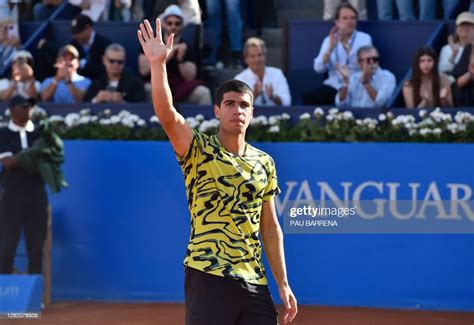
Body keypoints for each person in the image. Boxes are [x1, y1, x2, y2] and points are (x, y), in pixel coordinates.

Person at [138, 18, 298, 324]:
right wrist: (158, 64)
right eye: (229, 103)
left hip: (254, 280)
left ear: (252, 112)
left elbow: (270, 226)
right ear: (216, 110)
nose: (236, 110)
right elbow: (168, 116)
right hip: (207, 275)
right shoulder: (197, 149)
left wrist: (283, 282)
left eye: (243, 105)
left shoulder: (265, 162)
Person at [0, 95, 48, 275]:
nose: (28, 110)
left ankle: (35, 296)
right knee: (6, 247)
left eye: (29, 107)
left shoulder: (39, 133)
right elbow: (8, 163)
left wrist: (20, 157)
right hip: (12, 196)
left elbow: (46, 161)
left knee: (35, 248)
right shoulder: (3, 133)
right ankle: (2, 294)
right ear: (12, 110)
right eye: (23, 107)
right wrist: (33, 155)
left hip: (37, 195)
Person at [138, 5, 211, 104]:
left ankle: (200, 119)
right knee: (147, 88)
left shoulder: (186, 48)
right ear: (163, 24)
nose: (173, 26)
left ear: (181, 26)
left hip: (179, 87)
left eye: (177, 23)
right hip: (156, 84)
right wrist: (170, 52)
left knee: (203, 93)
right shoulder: (151, 44)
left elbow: (189, 78)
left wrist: (180, 60)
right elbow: (144, 71)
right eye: (169, 23)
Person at [304, 3, 372, 105]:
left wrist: (346, 47)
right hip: (335, 84)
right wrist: (330, 48)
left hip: (356, 83)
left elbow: (367, 65)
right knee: (309, 97)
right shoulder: (329, 40)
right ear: (337, 22)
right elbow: (318, 68)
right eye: (345, 18)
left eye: (353, 18)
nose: (349, 22)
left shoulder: (364, 38)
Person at [234, 37, 291, 106]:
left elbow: (287, 102)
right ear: (246, 59)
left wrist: (273, 97)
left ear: (265, 56)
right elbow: (237, 107)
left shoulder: (277, 74)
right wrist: (253, 96)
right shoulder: (239, 80)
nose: (257, 59)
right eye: (252, 56)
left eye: (260, 55)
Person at [70, 13, 112, 80]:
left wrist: (83, 64)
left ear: (89, 28)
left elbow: (105, 69)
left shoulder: (104, 43)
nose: (75, 36)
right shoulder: (73, 43)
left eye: (78, 32)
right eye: (74, 33)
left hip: (98, 83)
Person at [438, 12, 474, 84]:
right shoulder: (446, 49)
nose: (465, 28)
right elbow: (443, 71)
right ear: (457, 29)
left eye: (469, 25)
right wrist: (454, 54)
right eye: (462, 25)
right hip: (455, 86)